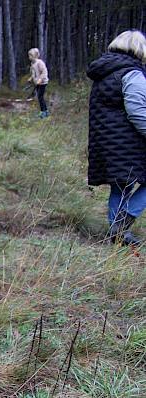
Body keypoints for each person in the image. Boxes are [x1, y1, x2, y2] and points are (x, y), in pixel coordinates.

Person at [87, 30, 146, 246]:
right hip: (127, 142)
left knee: (120, 185)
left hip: (107, 142)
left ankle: (117, 234)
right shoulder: (131, 73)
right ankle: (121, 225)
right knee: (123, 185)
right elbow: (137, 111)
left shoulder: (105, 70)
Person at [28, 48, 50, 118]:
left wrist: (40, 79)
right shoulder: (32, 64)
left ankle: (43, 112)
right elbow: (34, 73)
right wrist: (31, 78)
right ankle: (45, 111)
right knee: (40, 97)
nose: (29, 57)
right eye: (29, 56)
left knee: (40, 97)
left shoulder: (40, 63)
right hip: (37, 83)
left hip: (43, 83)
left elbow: (44, 72)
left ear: (35, 56)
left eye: (30, 56)